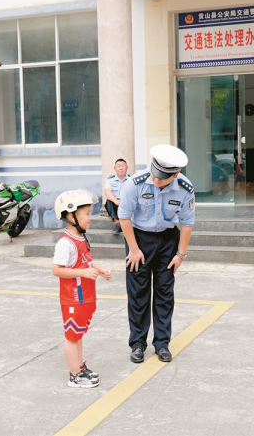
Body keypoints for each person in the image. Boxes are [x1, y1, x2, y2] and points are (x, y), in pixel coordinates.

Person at [118, 145, 195, 364]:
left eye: (162, 177)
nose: (156, 179)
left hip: (167, 240)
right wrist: (133, 249)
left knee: (164, 293)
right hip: (138, 239)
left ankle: (162, 343)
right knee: (138, 293)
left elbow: (187, 223)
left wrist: (180, 254)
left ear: (176, 174)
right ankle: (138, 343)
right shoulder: (136, 183)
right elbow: (124, 217)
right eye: (154, 173)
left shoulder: (185, 188)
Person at [52, 189, 112, 388]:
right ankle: (75, 375)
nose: (90, 218)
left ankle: (79, 367)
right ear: (71, 216)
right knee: (71, 337)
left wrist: (98, 269)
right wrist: (84, 273)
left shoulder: (81, 238)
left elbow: (85, 263)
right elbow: (57, 270)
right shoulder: (65, 243)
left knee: (78, 335)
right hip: (73, 298)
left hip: (85, 297)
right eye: (86, 214)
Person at [104, 159, 131, 234]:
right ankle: (118, 223)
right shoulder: (110, 179)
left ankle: (121, 225)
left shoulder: (131, 179)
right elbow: (107, 192)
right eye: (118, 166)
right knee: (109, 201)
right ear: (114, 168)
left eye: (123, 166)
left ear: (127, 167)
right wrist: (116, 201)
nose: (121, 168)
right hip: (116, 204)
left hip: (127, 204)